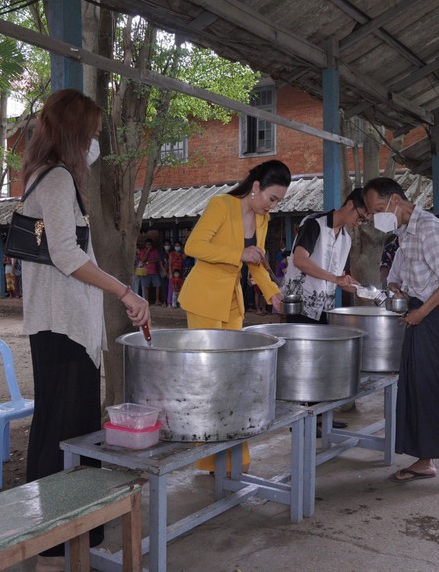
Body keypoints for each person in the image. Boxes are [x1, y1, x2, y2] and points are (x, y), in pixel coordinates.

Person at [20, 89, 150, 567]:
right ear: (76, 135)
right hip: (62, 327)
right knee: (65, 431)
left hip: (63, 325)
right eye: (91, 134)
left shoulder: (47, 178)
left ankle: (68, 533)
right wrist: (124, 291)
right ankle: (56, 541)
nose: (95, 142)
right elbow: (68, 256)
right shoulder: (54, 181)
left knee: (63, 425)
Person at [363, 177, 439, 496]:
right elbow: (399, 276)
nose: (378, 216)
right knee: (417, 388)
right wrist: (395, 288)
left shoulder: (430, 228)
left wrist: (421, 312)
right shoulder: (405, 233)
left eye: (379, 208)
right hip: (417, 313)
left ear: (396, 201)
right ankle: (425, 460)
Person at [179, 159, 290, 473]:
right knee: (208, 380)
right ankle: (207, 459)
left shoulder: (261, 219)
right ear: (256, 188)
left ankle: (233, 457)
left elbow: (257, 262)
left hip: (231, 303)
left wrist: (273, 294)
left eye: (279, 201)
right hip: (202, 301)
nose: (273, 206)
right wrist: (237, 254)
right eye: (272, 198)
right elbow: (194, 245)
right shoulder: (221, 205)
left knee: (232, 379)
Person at [279, 187, 368, 323]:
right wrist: (335, 278)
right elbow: (300, 260)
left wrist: (359, 290)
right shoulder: (314, 224)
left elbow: (340, 278)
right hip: (300, 306)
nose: (358, 223)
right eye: (360, 217)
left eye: (363, 221)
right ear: (350, 204)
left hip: (325, 309)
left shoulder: (346, 239)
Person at [167, 240, 185, 307]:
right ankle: (169, 303)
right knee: (171, 288)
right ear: (174, 247)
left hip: (180, 273)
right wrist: (170, 273)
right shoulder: (171, 254)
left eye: (178, 246)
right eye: (176, 246)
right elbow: (169, 264)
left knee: (180, 288)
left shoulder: (181, 255)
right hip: (173, 272)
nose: (177, 247)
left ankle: (178, 302)